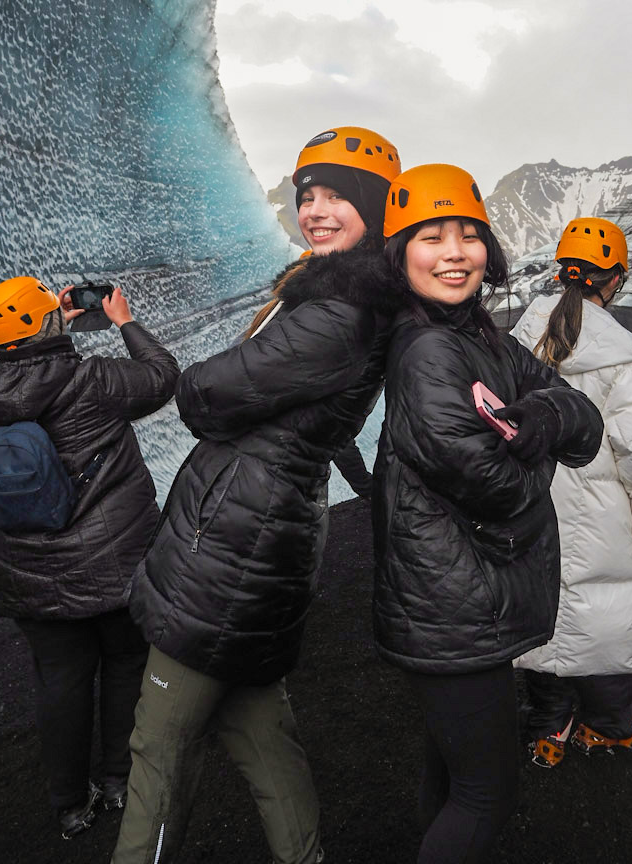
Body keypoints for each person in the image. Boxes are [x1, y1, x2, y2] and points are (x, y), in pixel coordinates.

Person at [112, 127, 403, 864]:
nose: (317, 210)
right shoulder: (332, 295)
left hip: (235, 543)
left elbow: (203, 395)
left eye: (338, 196)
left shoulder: (337, 314)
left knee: (158, 746)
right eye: (308, 196)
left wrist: (220, 373)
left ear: (373, 206)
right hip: (260, 532)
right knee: (259, 731)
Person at [372, 165, 603, 864]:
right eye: (431, 236)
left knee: (452, 772)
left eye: (469, 234)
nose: (455, 252)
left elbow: (584, 421)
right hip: (451, 603)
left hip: (465, 596)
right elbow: (499, 487)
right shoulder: (429, 350)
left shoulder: (482, 337)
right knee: (488, 792)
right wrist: (539, 442)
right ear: (400, 253)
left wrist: (534, 416)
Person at [0, 277, 179, 838]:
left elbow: (29, 379)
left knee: (60, 682)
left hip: (27, 571)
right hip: (111, 563)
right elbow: (164, 375)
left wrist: (47, 331)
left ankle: (69, 804)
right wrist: (123, 321)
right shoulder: (94, 380)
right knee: (123, 665)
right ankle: (119, 779)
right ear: (47, 320)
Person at [513, 217, 632, 765]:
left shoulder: (521, 341)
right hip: (602, 513)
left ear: (564, 273)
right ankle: (607, 725)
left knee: (543, 612)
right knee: (604, 615)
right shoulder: (625, 359)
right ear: (615, 280)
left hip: (530, 503)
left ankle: (548, 727)